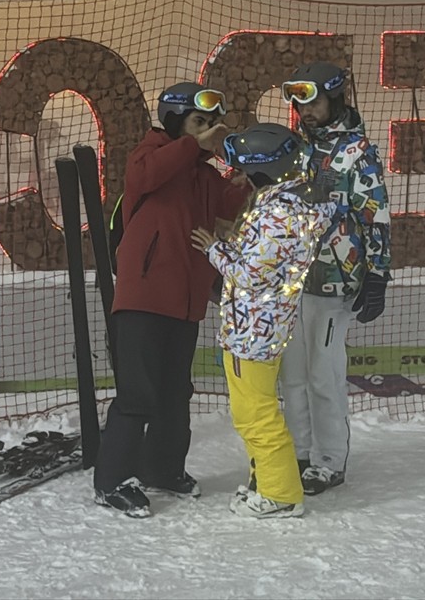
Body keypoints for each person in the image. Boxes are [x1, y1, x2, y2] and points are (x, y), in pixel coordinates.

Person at [93, 82, 252, 518]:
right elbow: (145, 178)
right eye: (198, 122)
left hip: (185, 302)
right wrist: (192, 144)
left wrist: (241, 181)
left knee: (174, 392)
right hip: (144, 298)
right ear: (176, 120)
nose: (206, 132)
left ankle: (161, 468)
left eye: (210, 125)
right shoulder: (150, 154)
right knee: (137, 394)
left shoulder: (202, 173)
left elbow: (225, 208)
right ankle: (111, 481)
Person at [190, 123, 337, 518]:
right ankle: (265, 482)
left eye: (243, 168)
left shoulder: (278, 213)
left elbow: (251, 274)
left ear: (261, 169)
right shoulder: (288, 202)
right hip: (262, 322)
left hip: (252, 327)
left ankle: (282, 494)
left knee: (255, 414)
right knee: (254, 410)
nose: (236, 174)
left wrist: (215, 250)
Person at [278, 62, 392, 495]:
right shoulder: (295, 148)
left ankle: (329, 460)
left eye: (315, 102)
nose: (306, 111)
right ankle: (300, 451)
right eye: (300, 104)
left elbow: (375, 217)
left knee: (323, 373)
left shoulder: (357, 151)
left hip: (335, 279)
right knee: (292, 374)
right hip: (291, 278)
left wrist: (377, 275)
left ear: (336, 99)